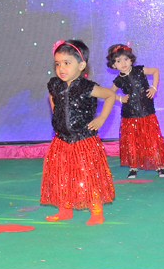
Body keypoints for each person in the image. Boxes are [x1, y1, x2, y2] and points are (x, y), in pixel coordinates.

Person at [42, 39, 117, 225]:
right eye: (57, 64)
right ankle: (64, 210)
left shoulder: (87, 87)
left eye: (67, 63)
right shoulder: (55, 85)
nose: (61, 68)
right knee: (61, 175)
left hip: (83, 140)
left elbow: (110, 95)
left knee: (88, 175)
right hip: (61, 140)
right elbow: (53, 98)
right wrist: (56, 113)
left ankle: (96, 211)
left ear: (81, 65)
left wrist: (101, 118)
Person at [106, 44, 164, 178]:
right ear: (113, 65)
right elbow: (108, 93)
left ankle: (159, 165)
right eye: (118, 61)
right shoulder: (118, 80)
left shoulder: (139, 70)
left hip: (147, 111)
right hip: (130, 114)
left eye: (126, 59)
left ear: (131, 60)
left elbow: (155, 70)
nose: (123, 63)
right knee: (132, 141)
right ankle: (133, 167)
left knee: (152, 138)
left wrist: (154, 87)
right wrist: (120, 98)